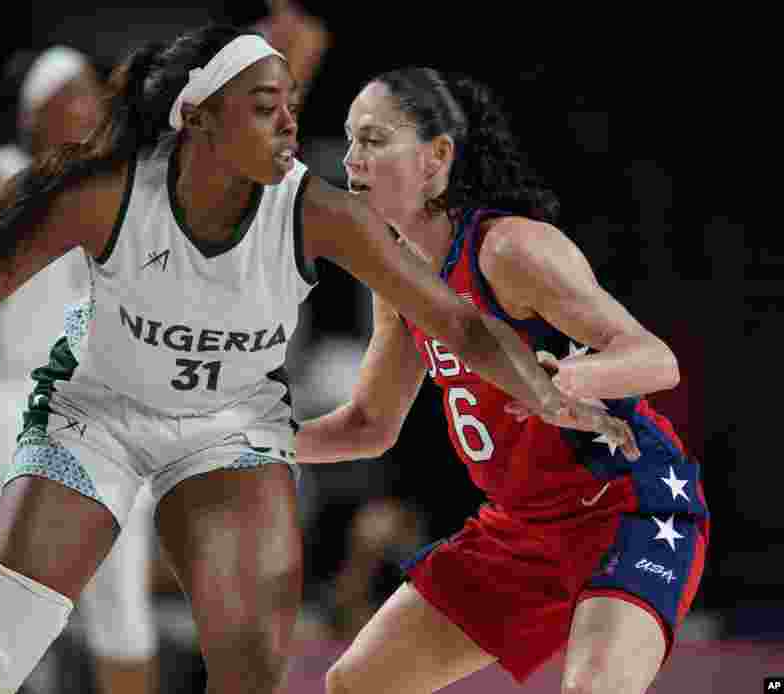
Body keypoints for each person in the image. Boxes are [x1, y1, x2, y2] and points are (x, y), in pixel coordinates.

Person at [0, 26, 635, 694]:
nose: (292, 119)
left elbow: (458, 320)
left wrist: (546, 395)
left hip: (228, 431)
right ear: (197, 120)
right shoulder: (100, 195)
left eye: (292, 100)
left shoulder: (316, 211)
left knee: (247, 671)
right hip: (95, 414)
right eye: (265, 105)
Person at [296, 68, 709, 694]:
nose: (351, 160)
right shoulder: (400, 279)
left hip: (626, 510)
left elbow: (655, 359)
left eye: (374, 140)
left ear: (438, 155)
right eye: (349, 140)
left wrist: (565, 376)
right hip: (520, 530)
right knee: (357, 682)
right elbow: (369, 426)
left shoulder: (510, 249)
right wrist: (244, 439)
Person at [0, 45, 162, 694]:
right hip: (15, 405)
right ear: (38, 113)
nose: (95, 103)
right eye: (77, 91)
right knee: (7, 607)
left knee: (123, 612)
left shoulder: (117, 186)